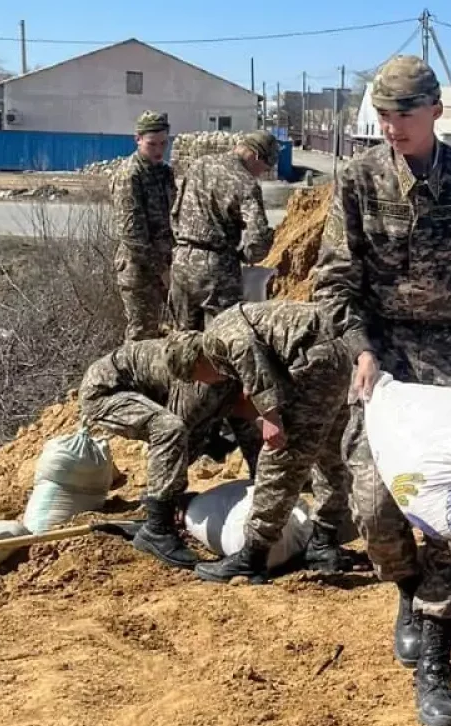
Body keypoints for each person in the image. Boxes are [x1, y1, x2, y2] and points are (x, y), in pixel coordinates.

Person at [311, 55, 451, 726]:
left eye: (404, 112)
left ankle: (435, 659)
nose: (392, 126)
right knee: (374, 505)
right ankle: (405, 588)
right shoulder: (358, 181)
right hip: (386, 366)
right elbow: (335, 281)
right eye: (382, 114)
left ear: (435, 110)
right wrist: (361, 349)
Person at [170, 301, 355, 583]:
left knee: (280, 457)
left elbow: (246, 350)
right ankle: (323, 542)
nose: (206, 383)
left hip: (312, 360)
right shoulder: (228, 330)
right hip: (337, 356)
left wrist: (270, 415)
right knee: (330, 453)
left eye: (198, 378)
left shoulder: (217, 337)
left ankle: (252, 557)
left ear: (196, 363)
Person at [79, 332, 255, 569]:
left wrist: (262, 476)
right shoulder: (200, 383)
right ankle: (157, 530)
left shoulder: (235, 371)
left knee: (190, 436)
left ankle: (161, 507)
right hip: (104, 393)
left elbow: (248, 427)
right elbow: (174, 439)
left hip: (142, 386)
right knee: (171, 429)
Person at [168, 131, 278, 332]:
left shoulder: (199, 165)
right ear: (255, 156)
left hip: (182, 261)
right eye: (264, 168)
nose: (261, 174)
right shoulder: (246, 183)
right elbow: (258, 238)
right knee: (225, 340)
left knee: (182, 343)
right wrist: (245, 256)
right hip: (217, 270)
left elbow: (175, 213)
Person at [111, 110, 176, 341]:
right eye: (152, 144)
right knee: (142, 336)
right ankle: (130, 377)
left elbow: (174, 217)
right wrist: (161, 269)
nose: (159, 150)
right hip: (139, 270)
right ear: (137, 139)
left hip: (167, 265)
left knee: (175, 331)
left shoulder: (165, 172)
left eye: (163, 143)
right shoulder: (130, 175)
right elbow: (132, 234)